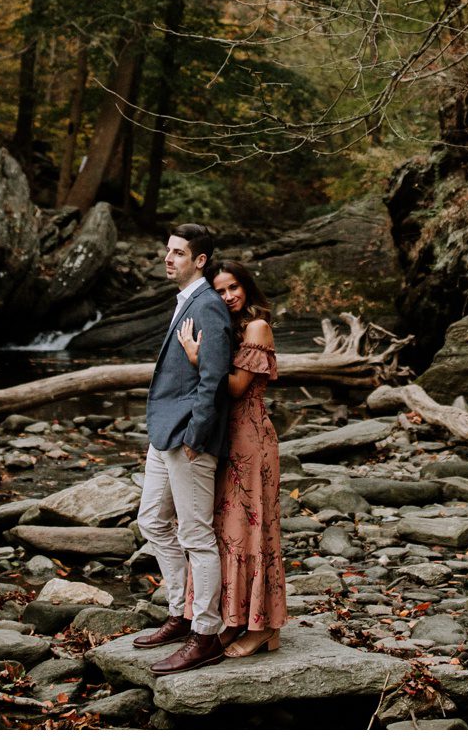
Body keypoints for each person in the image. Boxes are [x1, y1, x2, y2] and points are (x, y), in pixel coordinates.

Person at [132, 223, 237, 675]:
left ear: (200, 261)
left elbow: (213, 380)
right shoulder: (186, 301)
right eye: (167, 250)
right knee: (151, 519)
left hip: (188, 438)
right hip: (165, 434)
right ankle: (181, 612)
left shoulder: (209, 306)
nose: (168, 257)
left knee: (196, 535)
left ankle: (206, 634)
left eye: (178, 253)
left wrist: (196, 435)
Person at [178, 260, 286, 658]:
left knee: (254, 530)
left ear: (248, 287)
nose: (228, 297)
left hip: (252, 440)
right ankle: (238, 619)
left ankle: (264, 627)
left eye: (234, 287)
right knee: (229, 530)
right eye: (220, 291)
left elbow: (239, 387)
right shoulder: (232, 327)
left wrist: (197, 358)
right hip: (229, 439)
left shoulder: (257, 327)